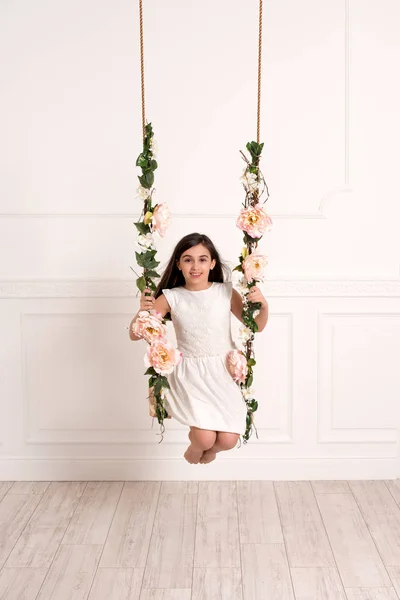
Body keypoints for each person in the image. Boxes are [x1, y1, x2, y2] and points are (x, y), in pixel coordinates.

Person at [129, 232, 269, 464]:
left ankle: (211, 451)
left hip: (222, 372)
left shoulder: (225, 292)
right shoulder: (171, 297)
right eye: (188, 259)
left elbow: (257, 325)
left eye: (203, 259)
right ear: (178, 264)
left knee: (228, 439)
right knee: (204, 438)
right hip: (191, 374)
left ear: (212, 263)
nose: (196, 266)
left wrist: (263, 305)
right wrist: (141, 312)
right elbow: (135, 334)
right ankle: (196, 449)